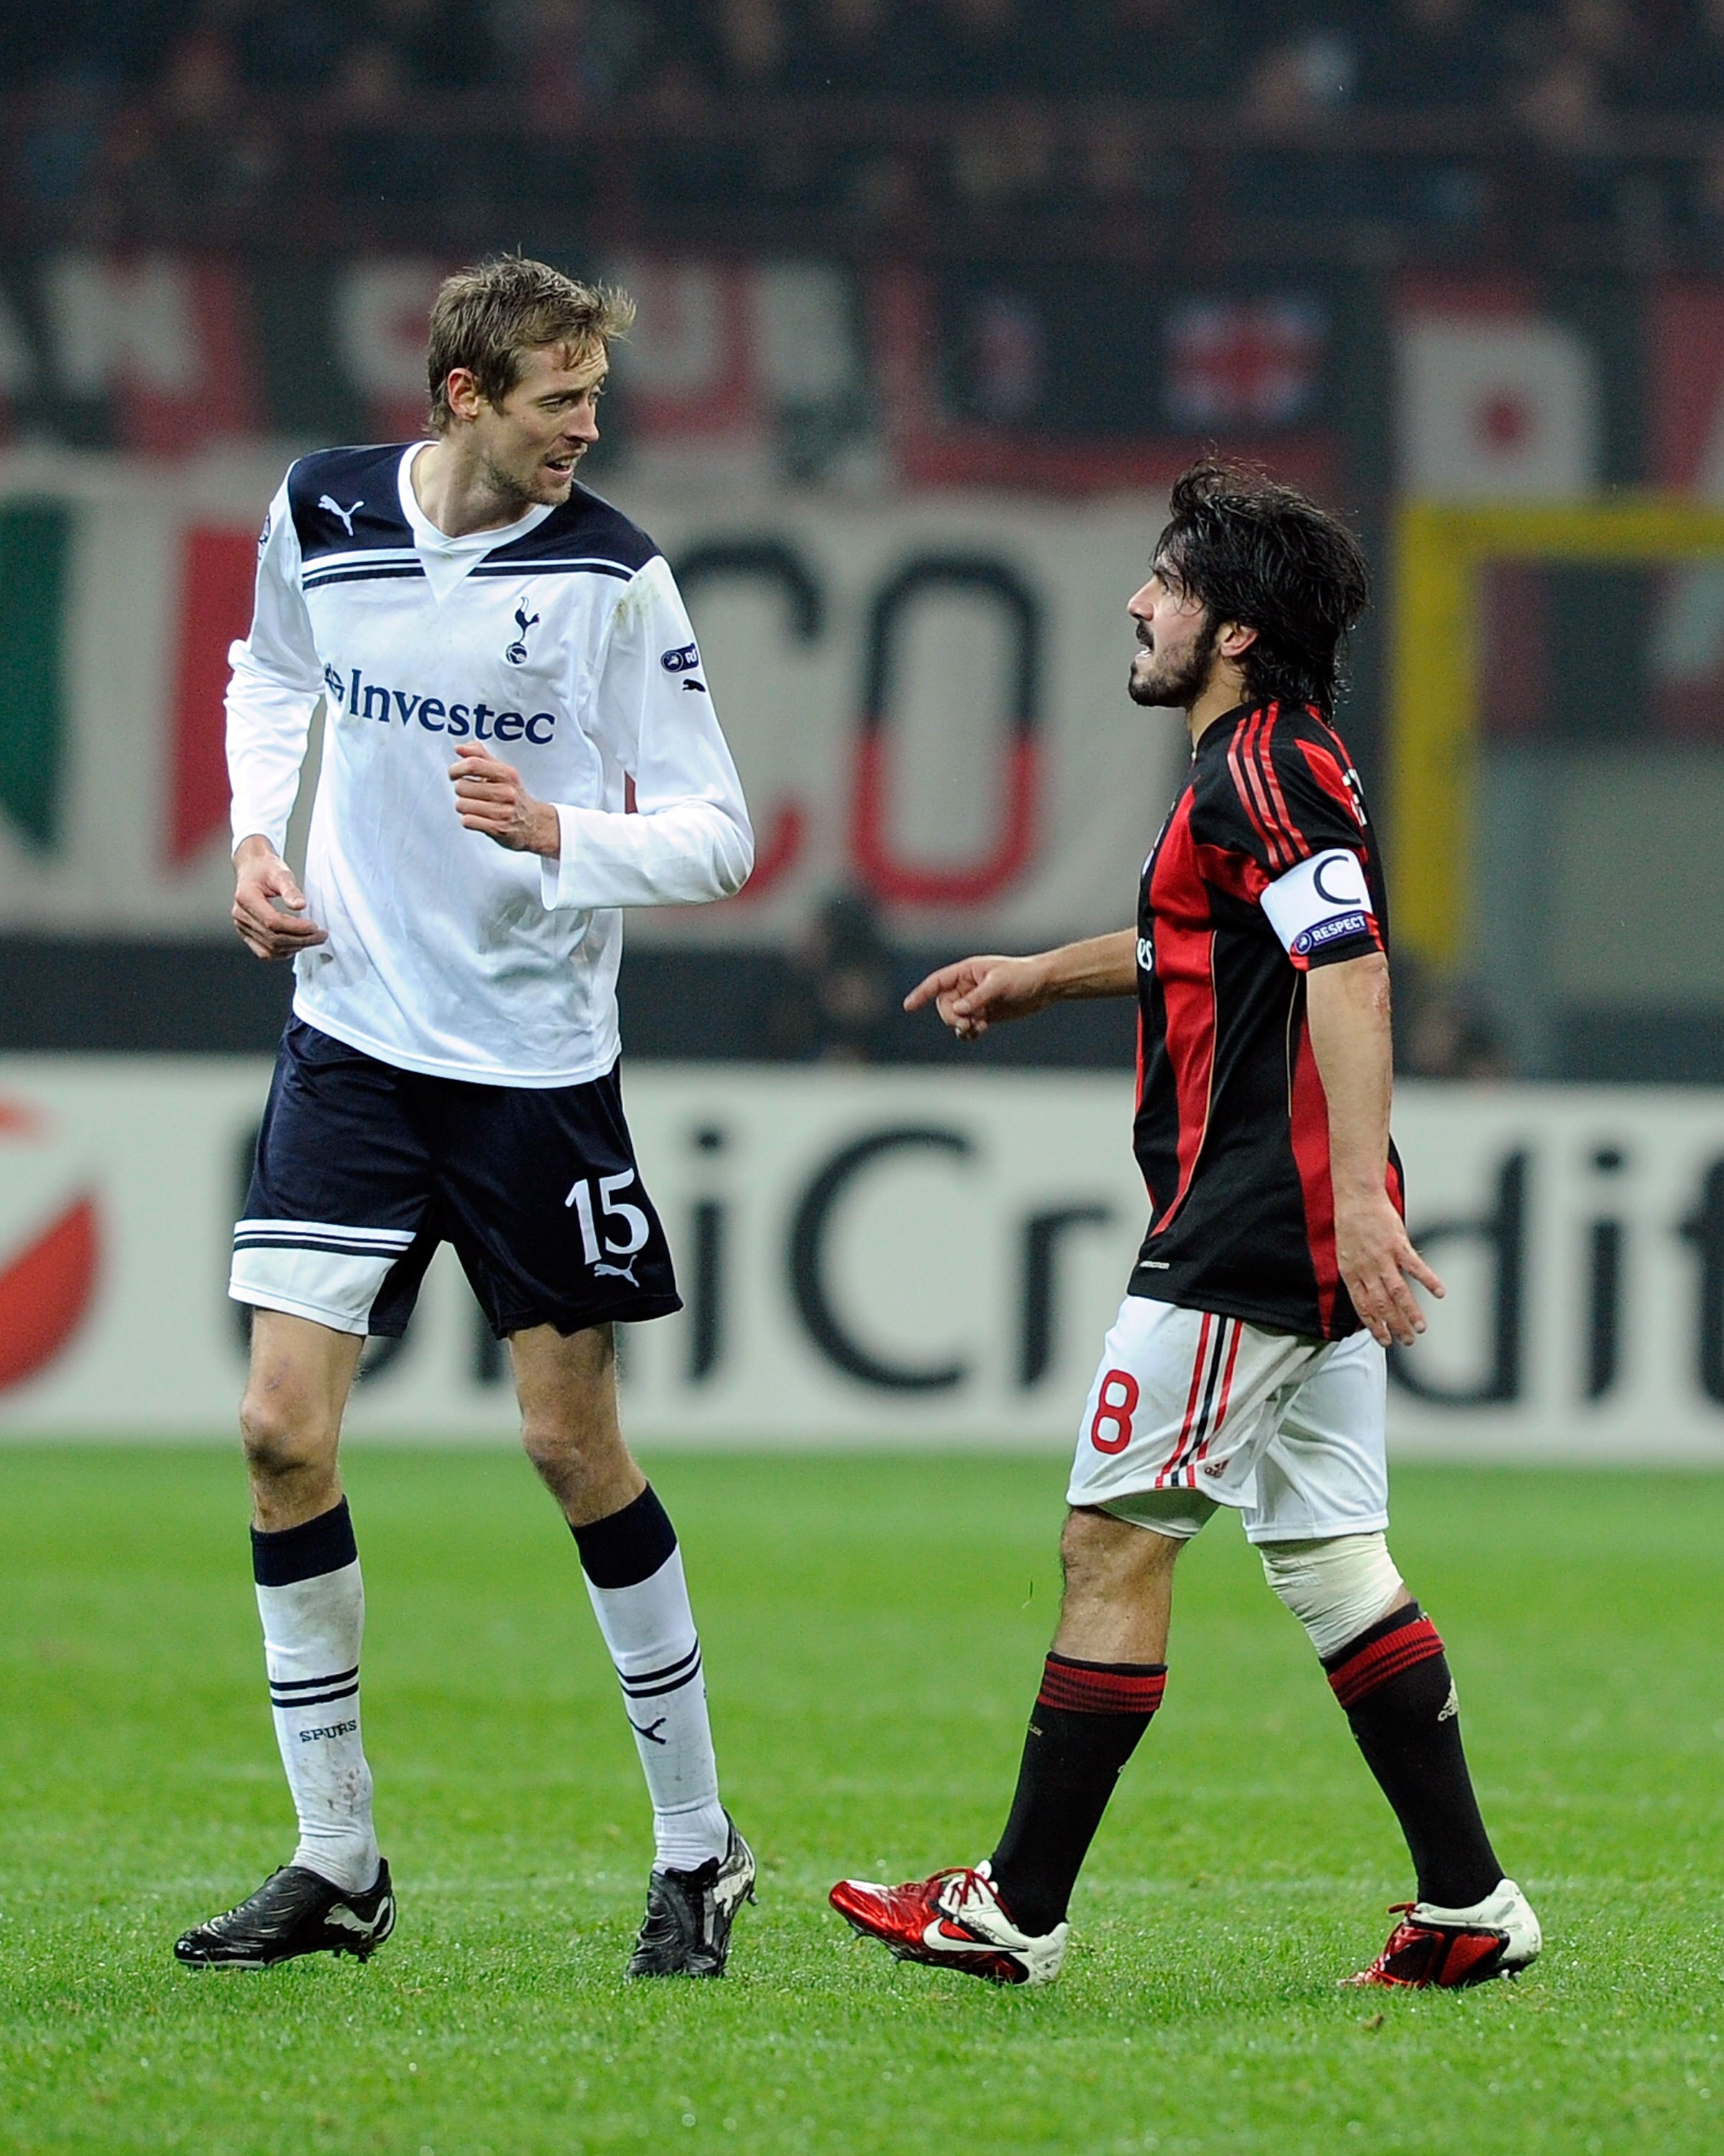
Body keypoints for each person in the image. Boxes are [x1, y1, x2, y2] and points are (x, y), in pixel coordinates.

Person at [830, 459, 1539, 1991]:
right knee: (1336, 1559)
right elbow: (1206, 945)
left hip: (1253, 1233)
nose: (1139, 603)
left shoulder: (1267, 771)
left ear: (1229, 631)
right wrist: (1040, 972)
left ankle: (1014, 1907)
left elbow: (1350, 970)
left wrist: (1352, 1204)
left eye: (1164, 582)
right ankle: (1470, 1908)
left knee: (1110, 1537)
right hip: (1286, 1229)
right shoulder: (1257, 769)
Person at [175, 254, 757, 1979]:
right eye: (558, 399)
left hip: (530, 1068)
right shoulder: (323, 509)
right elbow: (267, 672)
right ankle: (336, 1860)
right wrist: (253, 836)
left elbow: (722, 836)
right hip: (350, 1035)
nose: (590, 427)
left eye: (597, 398)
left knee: (570, 1449)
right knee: (282, 1432)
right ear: (461, 398)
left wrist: (562, 838)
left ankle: (697, 1847)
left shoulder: (615, 579)